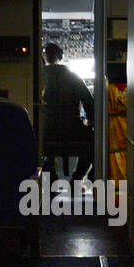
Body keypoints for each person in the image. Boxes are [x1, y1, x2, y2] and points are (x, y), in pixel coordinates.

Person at [40, 42, 94, 180]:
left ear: (43, 57)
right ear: (60, 57)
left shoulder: (38, 76)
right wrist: (90, 122)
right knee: (94, 145)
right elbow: (88, 101)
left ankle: (52, 179)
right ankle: (77, 178)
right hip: (72, 129)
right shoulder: (72, 76)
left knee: (44, 152)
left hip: (47, 129)